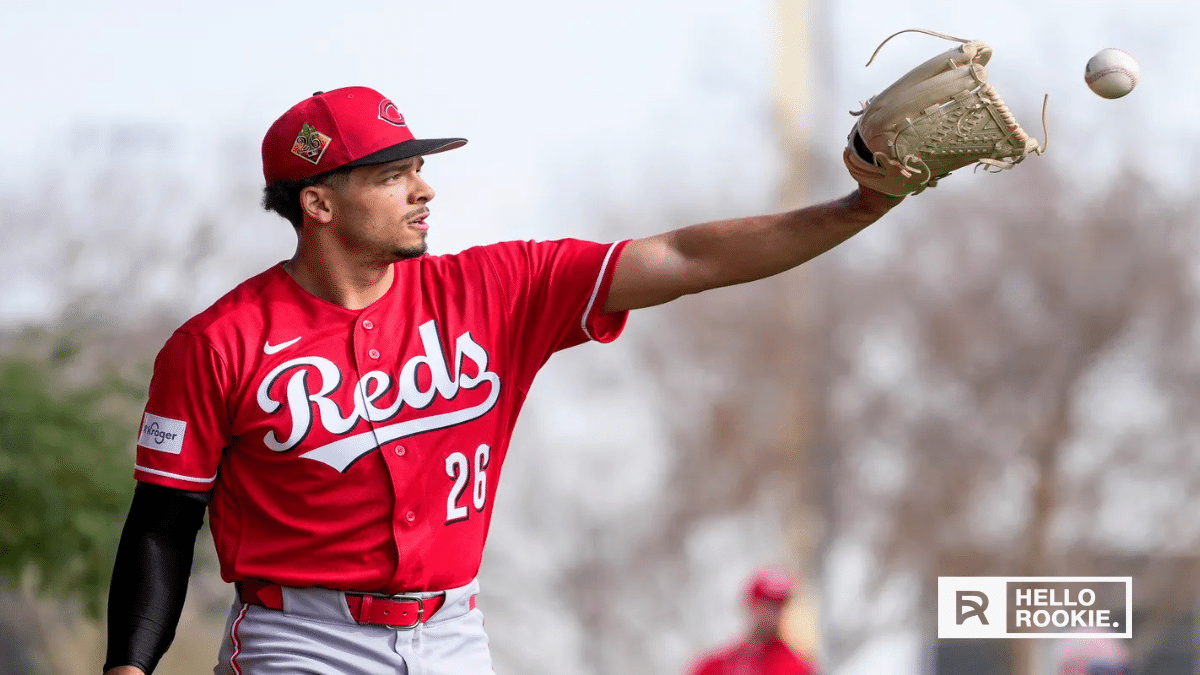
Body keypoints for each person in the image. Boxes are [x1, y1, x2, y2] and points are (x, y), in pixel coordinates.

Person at [102, 85, 902, 675]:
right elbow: (164, 522)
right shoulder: (218, 343)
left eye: (417, 167)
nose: (424, 189)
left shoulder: (498, 288)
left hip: (453, 632)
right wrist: (130, 665)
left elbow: (688, 259)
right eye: (392, 175)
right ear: (317, 201)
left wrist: (855, 208)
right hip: (302, 639)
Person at [686, 568, 818, 675]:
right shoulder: (715, 666)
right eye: (766, 606)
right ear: (750, 605)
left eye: (778, 607)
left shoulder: (798, 667)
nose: (772, 615)